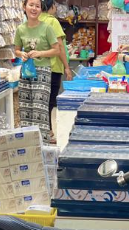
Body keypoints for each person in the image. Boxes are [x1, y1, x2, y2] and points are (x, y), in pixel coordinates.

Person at [15, 0, 61, 142]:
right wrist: (20, 54)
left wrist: (39, 53)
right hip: (26, 71)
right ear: (24, 7)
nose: (34, 8)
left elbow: (57, 50)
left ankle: (43, 143)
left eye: (37, 6)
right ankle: (28, 144)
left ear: (41, 9)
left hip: (43, 72)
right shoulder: (20, 29)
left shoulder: (47, 28)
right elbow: (16, 50)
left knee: (40, 108)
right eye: (31, 5)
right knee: (25, 107)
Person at [39, 0, 73, 139]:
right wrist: (66, 67)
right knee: (50, 101)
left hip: (38, 66)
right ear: (52, 7)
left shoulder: (35, 20)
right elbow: (59, 47)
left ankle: (43, 131)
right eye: (55, 6)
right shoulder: (52, 22)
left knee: (40, 101)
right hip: (53, 66)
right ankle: (48, 132)